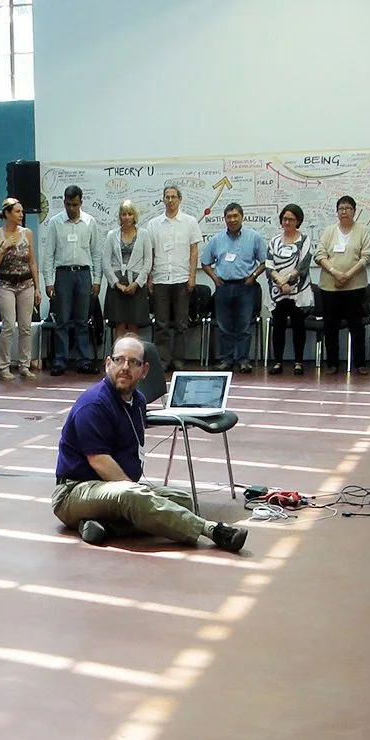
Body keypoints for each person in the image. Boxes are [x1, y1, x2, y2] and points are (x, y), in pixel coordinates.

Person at [51, 336, 247, 554]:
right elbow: (99, 460)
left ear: (144, 370)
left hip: (111, 490)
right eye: (119, 360)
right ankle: (212, 530)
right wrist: (133, 489)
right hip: (75, 491)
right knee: (132, 497)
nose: (125, 367)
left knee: (182, 500)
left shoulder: (138, 401)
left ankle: (105, 527)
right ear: (108, 364)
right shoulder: (94, 404)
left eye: (133, 362)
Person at [39, 184, 103, 374]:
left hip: (84, 274)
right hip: (63, 275)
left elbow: (96, 253)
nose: (71, 209)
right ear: (64, 202)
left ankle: (84, 361)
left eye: (74, 205)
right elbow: (48, 254)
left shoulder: (90, 222)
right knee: (62, 320)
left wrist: (97, 279)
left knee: (83, 320)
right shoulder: (55, 223)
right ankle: (60, 361)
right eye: (68, 204)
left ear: (81, 202)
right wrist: (49, 282)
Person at [200, 202, 267, 373]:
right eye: (229, 217)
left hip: (245, 287)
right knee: (224, 326)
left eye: (235, 216)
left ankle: (243, 360)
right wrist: (214, 278)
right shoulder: (217, 239)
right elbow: (205, 262)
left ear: (242, 217)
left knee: (244, 325)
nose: (232, 219)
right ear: (225, 219)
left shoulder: (254, 237)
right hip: (223, 287)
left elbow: (265, 261)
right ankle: (226, 359)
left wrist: (254, 276)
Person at [314, 195, 370, 372]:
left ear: (354, 211)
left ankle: (360, 364)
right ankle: (332, 364)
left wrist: (347, 275)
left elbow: (367, 256)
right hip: (329, 287)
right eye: (341, 208)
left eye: (348, 208)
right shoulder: (329, 231)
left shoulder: (363, 230)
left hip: (355, 286)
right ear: (337, 212)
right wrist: (335, 273)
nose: (344, 211)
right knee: (330, 327)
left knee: (356, 326)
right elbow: (319, 255)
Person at [145, 186, 202, 365]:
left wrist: (192, 276)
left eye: (173, 197)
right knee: (160, 323)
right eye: (167, 197)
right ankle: (162, 360)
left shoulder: (190, 222)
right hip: (160, 278)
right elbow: (150, 253)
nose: (170, 200)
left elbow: (194, 251)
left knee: (180, 324)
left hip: (181, 278)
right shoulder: (153, 224)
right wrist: (150, 277)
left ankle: (178, 359)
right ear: (163, 199)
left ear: (180, 199)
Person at [0, 197, 39, 380]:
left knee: (25, 326)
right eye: (17, 211)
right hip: (6, 285)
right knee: (9, 325)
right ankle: (3, 366)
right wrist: (3, 248)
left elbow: (32, 262)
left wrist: (37, 288)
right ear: (7, 214)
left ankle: (24, 365)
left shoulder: (28, 233)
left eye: (22, 211)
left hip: (26, 284)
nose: (21, 215)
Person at [265, 204, 314, 374]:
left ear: (298, 221)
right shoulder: (274, 241)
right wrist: (280, 282)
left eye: (291, 219)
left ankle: (298, 362)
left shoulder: (305, 240)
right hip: (278, 293)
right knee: (277, 327)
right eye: (285, 218)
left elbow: (303, 265)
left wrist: (287, 281)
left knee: (298, 326)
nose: (287, 222)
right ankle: (277, 362)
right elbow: (269, 265)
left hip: (298, 292)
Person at [100, 199, 152, 342]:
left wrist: (137, 283)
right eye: (123, 214)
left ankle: (132, 358)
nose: (127, 217)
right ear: (119, 216)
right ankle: (118, 358)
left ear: (134, 216)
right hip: (117, 287)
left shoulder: (144, 234)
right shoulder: (112, 235)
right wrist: (116, 283)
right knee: (120, 324)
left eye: (130, 214)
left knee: (134, 324)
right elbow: (105, 262)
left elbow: (148, 262)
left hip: (136, 286)